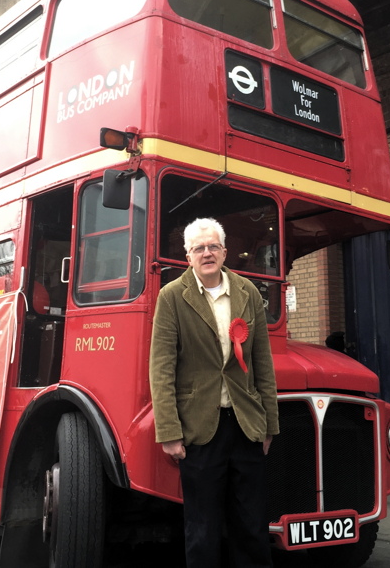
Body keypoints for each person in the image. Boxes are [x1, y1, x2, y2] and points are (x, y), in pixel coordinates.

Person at [150, 217, 279, 568]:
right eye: (198, 248)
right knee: (202, 526)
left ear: (225, 252)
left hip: (245, 424)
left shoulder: (247, 292)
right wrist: (170, 432)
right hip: (199, 429)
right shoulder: (172, 296)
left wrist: (269, 425)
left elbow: (262, 363)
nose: (207, 253)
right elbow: (161, 368)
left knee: (252, 525)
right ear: (187, 255)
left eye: (213, 247)